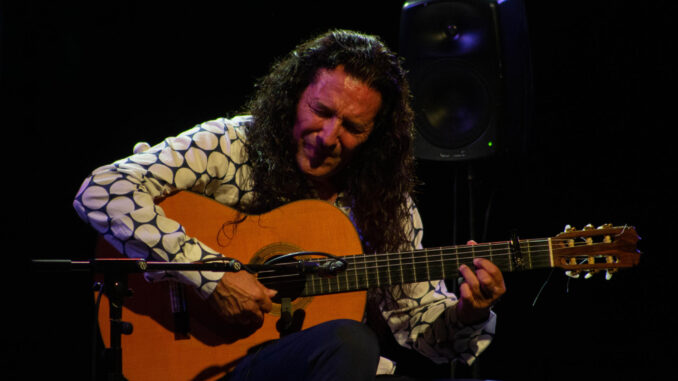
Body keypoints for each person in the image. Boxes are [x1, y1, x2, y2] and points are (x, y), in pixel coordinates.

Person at [74, 29, 506, 380]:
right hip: (205, 364)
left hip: (310, 366)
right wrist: (209, 277)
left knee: (358, 349)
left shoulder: (387, 207)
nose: (327, 136)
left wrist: (469, 311)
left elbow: (424, 331)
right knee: (353, 343)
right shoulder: (228, 144)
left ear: (376, 138)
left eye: (353, 127)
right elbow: (102, 189)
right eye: (320, 110)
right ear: (295, 95)